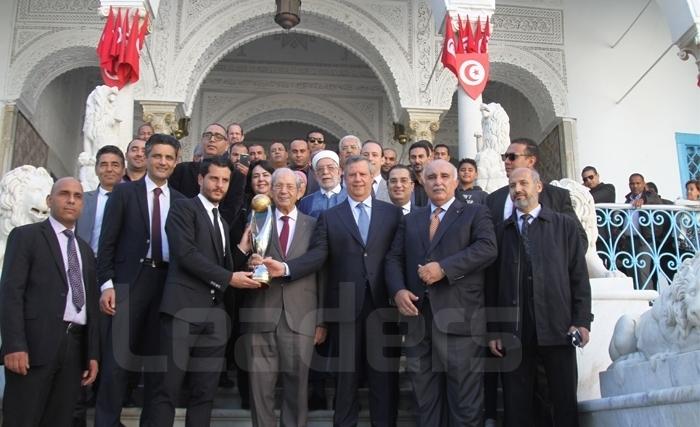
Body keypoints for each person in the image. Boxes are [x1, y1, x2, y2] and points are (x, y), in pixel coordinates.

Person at [264, 156, 403, 427]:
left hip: (383, 305)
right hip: (345, 307)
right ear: (343, 177)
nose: (358, 179)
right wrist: (285, 267)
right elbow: (317, 257)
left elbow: (397, 257)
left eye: (363, 174)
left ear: (372, 176)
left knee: (383, 377)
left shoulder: (392, 214)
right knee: (345, 377)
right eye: (352, 175)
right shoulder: (329, 217)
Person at [150, 157, 261, 427]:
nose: (219, 185)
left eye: (225, 180)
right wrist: (229, 278)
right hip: (182, 312)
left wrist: (242, 251)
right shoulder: (182, 209)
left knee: (205, 392)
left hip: (214, 318)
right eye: (214, 178)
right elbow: (186, 255)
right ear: (201, 179)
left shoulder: (221, 221)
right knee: (167, 388)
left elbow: (220, 265)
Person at [386, 159, 497, 426]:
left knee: (465, 403)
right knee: (425, 401)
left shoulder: (475, 213)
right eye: (432, 176)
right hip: (418, 322)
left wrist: (445, 268)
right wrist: (398, 290)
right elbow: (393, 259)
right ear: (422, 182)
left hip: (461, 320)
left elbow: (487, 248)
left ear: (456, 181)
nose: (438, 181)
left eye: (445, 176)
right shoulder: (411, 219)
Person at [487, 167, 592, 427]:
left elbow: (578, 276)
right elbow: (492, 285)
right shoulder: (501, 231)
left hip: (558, 327)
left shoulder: (564, 225)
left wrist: (582, 321)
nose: (517, 189)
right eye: (512, 186)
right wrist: (494, 331)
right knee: (517, 404)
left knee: (563, 400)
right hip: (515, 331)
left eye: (523, 183)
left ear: (538, 187)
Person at [95, 134, 185, 427]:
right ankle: (108, 422)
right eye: (157, 156)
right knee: (117, 360)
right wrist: (106, 284)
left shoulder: (183, 202)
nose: (163, 162)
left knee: (160, 362)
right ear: (146, 157)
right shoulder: (124, 193)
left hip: (168, 285)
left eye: (169, 157)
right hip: (129, 283)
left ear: (176, 162)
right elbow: (106, 242)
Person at [0, 177, 100, 427]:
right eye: (64, 194)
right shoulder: (26, 236)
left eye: (77, 196)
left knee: (60, 420)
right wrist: (13, 345)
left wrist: (92, 354)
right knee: (22, 418)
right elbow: (11, 292)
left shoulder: (85, 251)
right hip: (33, 347)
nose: (71, 200)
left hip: (73, 349)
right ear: (49, 200)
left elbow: (90, 306)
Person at [241, 168, 326, 427]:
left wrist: (321, 321)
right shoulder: (256, 221)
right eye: (278, 186)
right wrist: (249, 260)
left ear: (301, 191)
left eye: (290, 186)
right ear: (270, 189)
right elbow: (239, 261)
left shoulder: (314, 225)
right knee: (260, 389)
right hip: (261, 315)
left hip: (301, 318)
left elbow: (322, 273)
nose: (284, 191)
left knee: (297, 389)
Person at [169, 123, 247, 234]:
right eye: (208, 135)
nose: (212, 139)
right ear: (202, 141)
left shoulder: (236, 176)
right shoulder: (182, 170)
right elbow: (174, 203)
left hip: (216, 234)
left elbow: (230, 211)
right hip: (182, 230)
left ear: (227, 145)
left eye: (218, 137)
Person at [77, 145, 126, 254]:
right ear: (96, 169)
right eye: (103, 165)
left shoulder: (133, 202)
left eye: (115, 165)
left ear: (123, 170)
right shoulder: (81, 200)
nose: (109, 169)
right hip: (86, 263)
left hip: (119, 266)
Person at [298, 150, 347, 219]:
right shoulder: (306, 202)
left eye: (330, 168)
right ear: (315, 175)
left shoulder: (352, 198)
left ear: (339, 172)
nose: (325, 172)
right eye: (320, 169)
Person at [408, 140, 433, 207]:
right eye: (413, 157)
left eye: (421, 156)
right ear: (409, 159)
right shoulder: (405, 183)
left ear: (429, 158)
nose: (417, 161)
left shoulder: (437, 182)